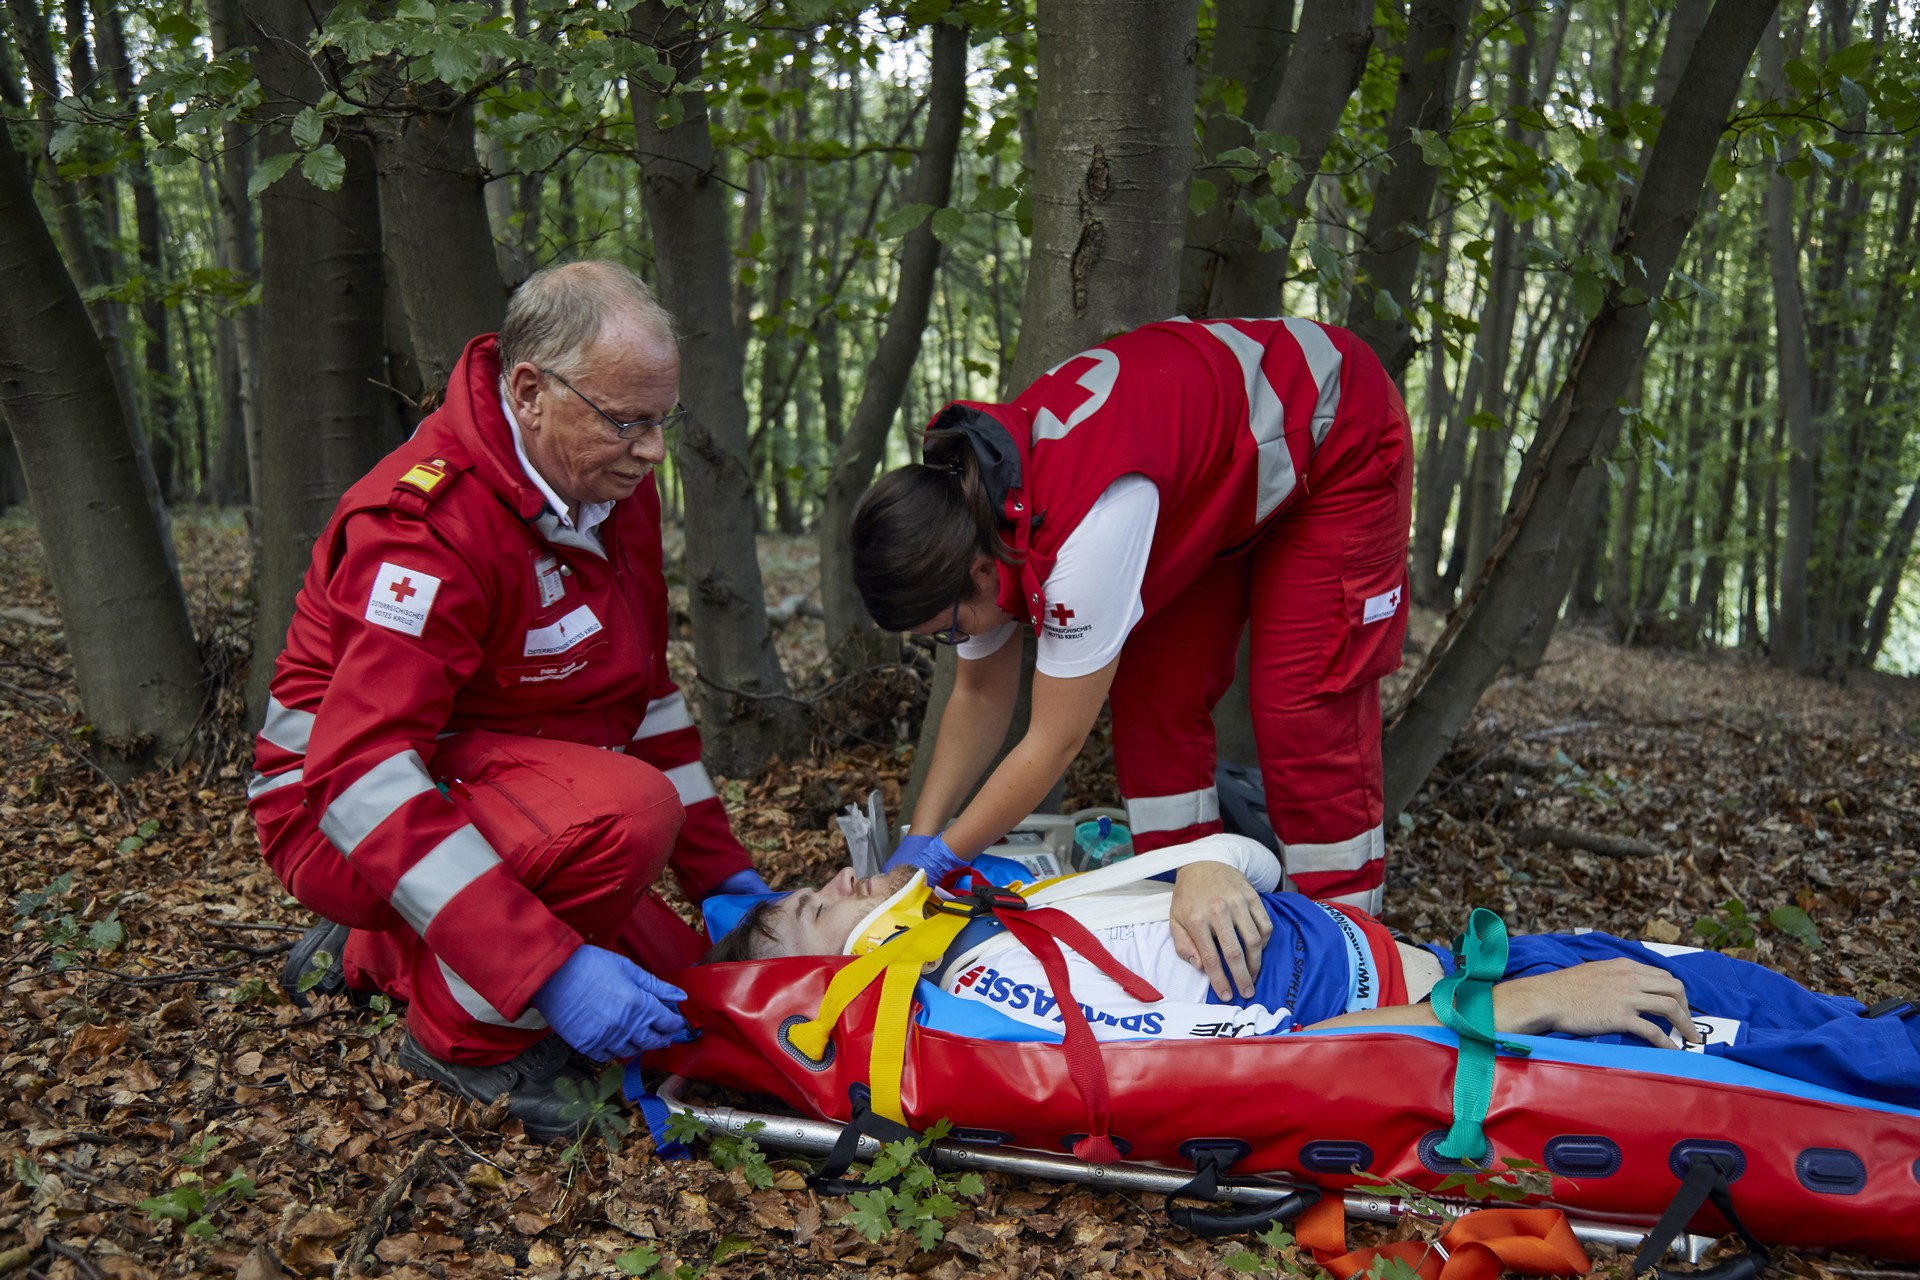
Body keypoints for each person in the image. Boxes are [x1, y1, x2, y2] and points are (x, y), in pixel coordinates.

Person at [249, 261, 770, 1139]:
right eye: (628, 421)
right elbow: (360, 773)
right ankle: (467, 1042)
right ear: (530, 392)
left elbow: (644, 698)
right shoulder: (425, 528)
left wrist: (723, 880)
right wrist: (548, 971)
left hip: (487, 781)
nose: (653, 451)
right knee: (627, 815)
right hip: (333, 812)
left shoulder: (606, 486)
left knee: (688, 990)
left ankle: (384, 948)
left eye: (663, 420)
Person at [849, 318, 1413, 993]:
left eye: (949, 628)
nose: (957, 640)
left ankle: (1347, 960)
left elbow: (1053, 742)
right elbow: (977, 694)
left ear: (975, 572)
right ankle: (1190, 923)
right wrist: (920, 837)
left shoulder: (1083, 533)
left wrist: (939, 862)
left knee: (1301, 712)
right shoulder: (973, 519)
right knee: (1153, 705)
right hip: (1212, 480)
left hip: (1335, 430)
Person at [700, 837, 1920, 1109]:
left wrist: (1204, 867)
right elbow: (1258, 1064)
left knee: (1842, 1018)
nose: (843, 877)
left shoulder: (999, 905)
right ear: (821, 973)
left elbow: (1247, 856)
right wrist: (1514, 1008)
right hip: (1490, 1022)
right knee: (1854, 1068)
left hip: (1494, 960)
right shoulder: (984, 1001)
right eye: (814, 903)